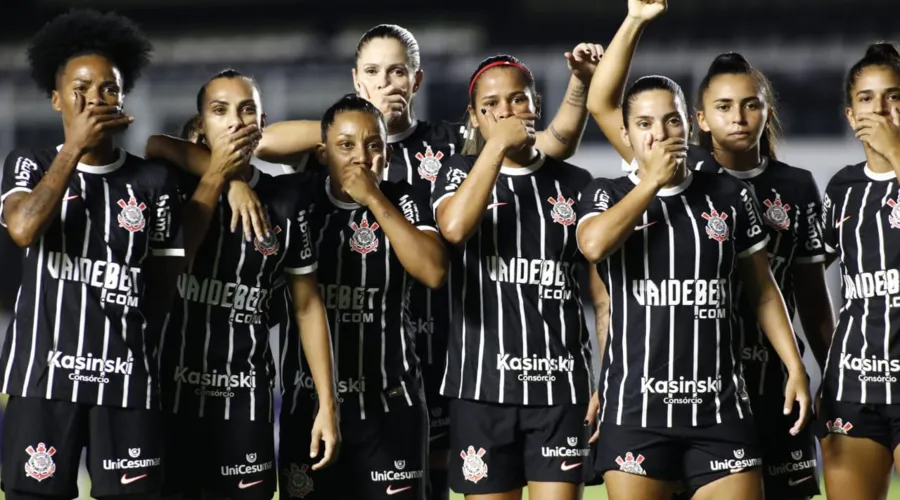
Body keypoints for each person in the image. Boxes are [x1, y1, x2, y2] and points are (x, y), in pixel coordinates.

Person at [254, 25, 603, 500]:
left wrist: (578, 86)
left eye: (398, 71)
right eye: (374, 72)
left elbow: (546, 143)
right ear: (358, 80)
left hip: (438, 345)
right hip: (353, 349)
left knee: (429, 475)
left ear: (416, 80)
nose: (387, 82)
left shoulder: (452, 142)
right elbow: (263, 140)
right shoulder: (336, 155)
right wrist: (353, 127)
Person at [577, 73, 812, 500]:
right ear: (627, 134)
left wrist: (795, 366)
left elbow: (762, 290)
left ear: (689, 124)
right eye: (645, 124)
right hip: (636, 411)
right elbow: (593, 245)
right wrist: (651, 181)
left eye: (671, 120)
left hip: (720, 409)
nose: (660, 133)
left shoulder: (729, 195)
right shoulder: (604, 194)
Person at [0, 10, 184, 500]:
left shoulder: (155, 182)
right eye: (81, 89)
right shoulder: (31, 164)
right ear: (57, 98)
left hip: (126, 383)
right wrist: (74, 150)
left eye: (109, 88)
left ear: (123, 99)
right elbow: (22, 228)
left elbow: (163, 287)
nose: (95, 99)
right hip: (44, 376)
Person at [144, 69, 341, 500]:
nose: (234, 121)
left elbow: (308, 307)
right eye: (219, 111)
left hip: (245, 402)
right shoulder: (171, 187)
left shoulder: (285, 201)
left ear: (262, 124)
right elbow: (156, 144)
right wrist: (228, 179)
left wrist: (328, 404)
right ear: (201, 125)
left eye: (246, 109)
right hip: (170, 394)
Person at [432, 54, 600, 500]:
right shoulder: (455, 173)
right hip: (481, 388)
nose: (506, 111)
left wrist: (604, 376)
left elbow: (603, 297)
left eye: (517, 99)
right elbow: (453, 228)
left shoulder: (577, 183)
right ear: (474, 116)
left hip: (560, 387)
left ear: (536, 105)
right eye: (491, 104)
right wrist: (495, 148)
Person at [691, 52, 833, 500]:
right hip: (700, 380)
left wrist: (830, 375)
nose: (738, 116)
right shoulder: (684, 179)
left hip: (778, 381)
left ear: (767, 111)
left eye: (751, 104)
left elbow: (812, 298)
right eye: (724, 106)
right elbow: (609, 110)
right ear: (701, 119)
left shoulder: (796, 187)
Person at [817, 42, 900, 500]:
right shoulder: (843, 189)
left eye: (893, 97)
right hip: (854, 383)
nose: (881, 109)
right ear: (851, 116)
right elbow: (803, 277)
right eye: (867, 99)